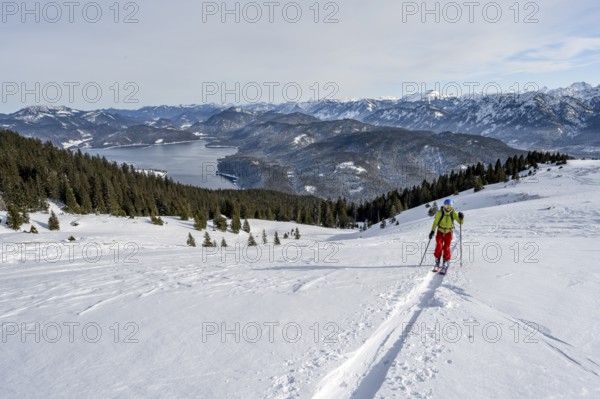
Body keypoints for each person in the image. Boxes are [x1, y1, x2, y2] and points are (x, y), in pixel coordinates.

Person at [429, 199, 464, 273]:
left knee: (446, 248)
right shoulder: (439, 212)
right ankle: (437, 262)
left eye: (450, 206)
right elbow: (435, 222)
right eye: (446, 206)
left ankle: (445, 262)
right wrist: (432, 231)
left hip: (449, 232)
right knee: (439, 246)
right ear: (444, 206)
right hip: (440, 232)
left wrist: (461, 218)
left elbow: (460, 222)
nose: (448, 208)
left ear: (452, 206)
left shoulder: (453, 213)